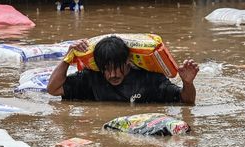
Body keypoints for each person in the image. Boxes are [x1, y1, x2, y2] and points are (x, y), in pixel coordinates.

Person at [47, 36, 199, 104]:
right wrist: (68, 58)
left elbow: (187, 101)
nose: (113, 75)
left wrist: (187, 83)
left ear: (127, 62)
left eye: (117, 68)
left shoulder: (150, 80)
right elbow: (53, 89)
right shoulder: (91, 78)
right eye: (106, 69)